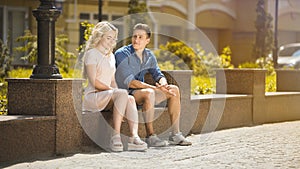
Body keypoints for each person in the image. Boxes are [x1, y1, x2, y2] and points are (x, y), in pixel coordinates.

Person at [114, 23, 192, 147]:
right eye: (134, 36)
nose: (136, 40)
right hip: (126, 94)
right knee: (149, 93)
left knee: (174, 90)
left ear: (147, 40)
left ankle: (175, 134)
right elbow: (131, 82)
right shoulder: (122, 54)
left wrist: (164, 85)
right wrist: (154, 88)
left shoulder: (149, 55)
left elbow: (158, 74)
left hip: (142, 92)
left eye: (140, 37)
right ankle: (151, 136)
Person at [82, 21, 147, 152]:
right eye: (108, 37)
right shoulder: (92, 54)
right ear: (100, 36)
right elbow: (94, 82)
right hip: (93, 97)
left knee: (130, 98)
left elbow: (112, 81)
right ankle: (115, 136)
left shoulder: (111, 56)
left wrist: (119, 93)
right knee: (122, 94)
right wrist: (115, 91)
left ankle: (134, 137)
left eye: (113, 38)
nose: (111, 41)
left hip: (107, 96)